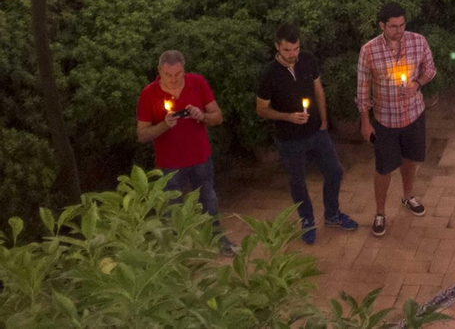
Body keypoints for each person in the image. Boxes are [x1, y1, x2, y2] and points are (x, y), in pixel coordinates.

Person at [254, 24, 358, 244]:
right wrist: (288, 117)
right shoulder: (269, 74)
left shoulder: (308, 60)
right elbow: (261, 109)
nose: (293, 54)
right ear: (277, 47)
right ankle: (307, 221)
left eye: (296, 48)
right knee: (298, 182)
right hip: (289, 139)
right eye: (287, 50)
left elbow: (318, 89)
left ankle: (332, 214)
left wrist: (324, 120)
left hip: (316, 131)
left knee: (335, 172)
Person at [136, 49, 231, 253]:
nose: (173, 79)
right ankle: (176, 251)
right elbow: (142, 135)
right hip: (169, 164)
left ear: (184, 70)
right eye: (168, 75)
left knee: (209, 200)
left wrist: (202, 116)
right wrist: (164, 125)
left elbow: (218, 116)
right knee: (172, 209)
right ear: (160, 71)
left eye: (178, 74)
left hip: (200, 157)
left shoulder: (197, 83)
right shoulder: (148, 94)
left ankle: (218, 241)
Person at [355, 1, 436, 237]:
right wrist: (365, 121)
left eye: (402, 25)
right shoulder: (368, 51)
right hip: (385, 121)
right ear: (382, 25)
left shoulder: (418, 41)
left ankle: (408, 196)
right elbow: (362, 90)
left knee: (411, 159)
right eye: (393, 26)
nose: (398, 30)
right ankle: (380, 212)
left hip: (413, 115)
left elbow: (430, 70)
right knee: (383, 168)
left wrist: (417, 83)